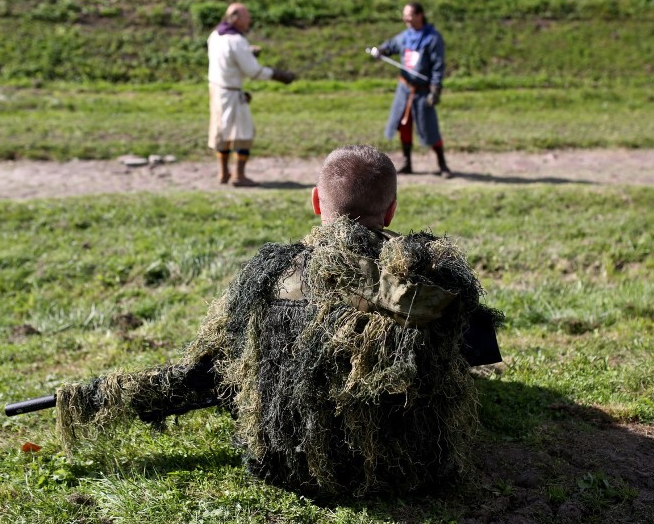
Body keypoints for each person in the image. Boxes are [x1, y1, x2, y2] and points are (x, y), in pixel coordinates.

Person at [54, 145, 502, 496]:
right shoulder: (432, 285)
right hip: (415, 468)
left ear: (314, 202)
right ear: (390, 212)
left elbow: (210, 370)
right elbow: (475, 344)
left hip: (290, 467)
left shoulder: (270, 277)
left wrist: (95, 397)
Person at [207, 2, 296, 187]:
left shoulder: (215, 35)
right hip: (232, 93)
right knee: (243, 133)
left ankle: (223, 173)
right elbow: (252, 71)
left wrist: (248, 53)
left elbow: (228, 60)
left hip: (217, 91)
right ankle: (239, 176)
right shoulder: (237, 41)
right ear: (236, 18)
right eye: (247, 17)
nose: (250, 21)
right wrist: (280, 75)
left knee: (221, 133)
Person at [370, 2, 452, 178]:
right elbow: (391, 45)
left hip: (422, 90)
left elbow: (438, 66)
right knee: (404, 125)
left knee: (430, 127)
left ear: (419, 15)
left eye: (409, 15)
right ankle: (407, 163)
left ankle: (442, 164)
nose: (405, 18)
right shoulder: (405, 36)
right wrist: (381, 50)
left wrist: (435, 90)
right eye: (405, 14)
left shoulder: (433, 38)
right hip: (404, 89)